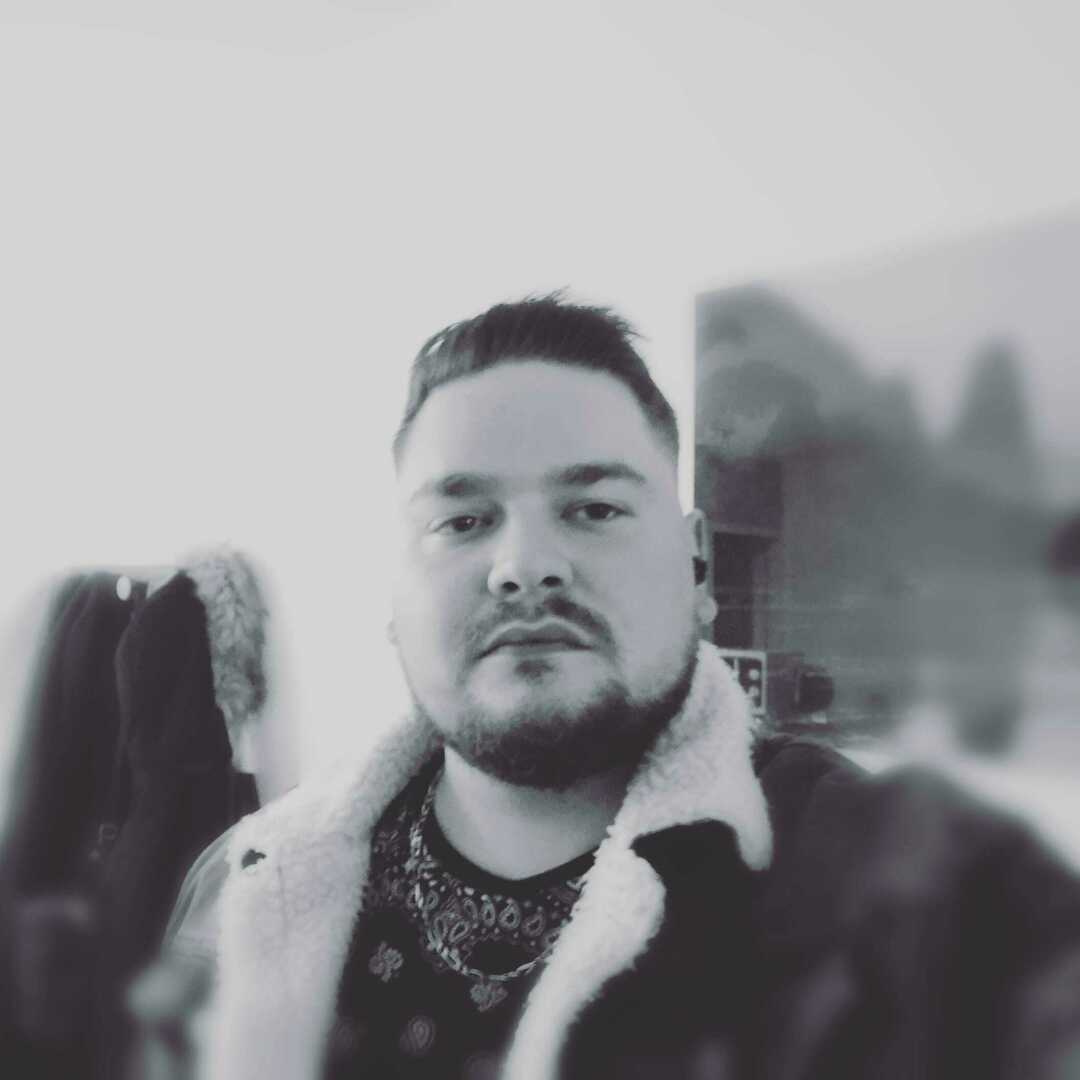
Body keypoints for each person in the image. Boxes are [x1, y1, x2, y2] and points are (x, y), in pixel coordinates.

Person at [135, 295, 1080, 1080]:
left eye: (593, 508)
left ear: (698, 565)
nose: (524, 565)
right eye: (462, 520)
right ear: (394, 597)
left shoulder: (916, 908)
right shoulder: (246, 891)